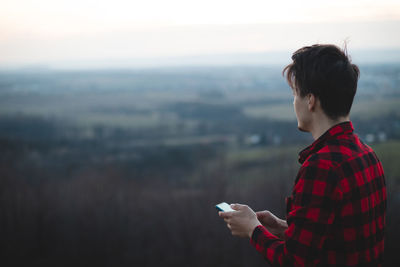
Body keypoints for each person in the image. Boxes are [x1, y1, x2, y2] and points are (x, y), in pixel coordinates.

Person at [218, 44, 386, 266]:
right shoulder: (367, 155)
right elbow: (342, 240)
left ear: (310, 100)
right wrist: (282, 228)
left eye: (295, 93)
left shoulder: (321, 167)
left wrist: (253, 229)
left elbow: (293, 261)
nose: (294, 102)